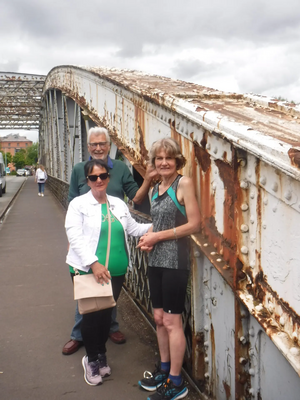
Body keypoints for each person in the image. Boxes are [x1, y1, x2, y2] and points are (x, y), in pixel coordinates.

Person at [62, 126, 157, 355]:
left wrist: (149, 178)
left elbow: (135, 198)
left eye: (102, 143)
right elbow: (72, 205)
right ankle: (80, 337)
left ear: (109, 145)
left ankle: (109, 331)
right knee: (88, 297)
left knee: (109, 296)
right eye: (93, 144)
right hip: (88, 247)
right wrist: (74, 243)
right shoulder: (78, 170)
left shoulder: (121, 172)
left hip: (114, 246)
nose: (97, 148)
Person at [65, 159, 152, 386]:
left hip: (116, 272)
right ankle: (91, 359)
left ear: (108, 177)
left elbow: (133, 228)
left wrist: (157, 227)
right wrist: (93, 263)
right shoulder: (78, 205)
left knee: (106, 317)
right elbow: (73, 236)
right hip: (88, 271)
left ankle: (100, 353)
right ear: (87, 181)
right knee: (91, 317)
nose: (99, 180)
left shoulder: (118, 204)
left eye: (103, 176)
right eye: (94, 177)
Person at [137, 138, 201, 400]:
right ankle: (164, 370)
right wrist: (148, 237)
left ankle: (176, 382)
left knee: (173, 322)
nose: (164, 162)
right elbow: (158, 223)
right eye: (159, 158)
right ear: (153, 163)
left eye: (169, 158)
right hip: (155, 262)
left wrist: (157, 237)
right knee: (160, 319)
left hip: (176, 263)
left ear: (177, 161)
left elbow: (194, 225)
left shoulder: (182, 184)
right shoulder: (155, 189)